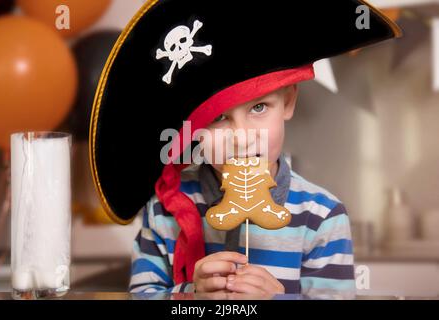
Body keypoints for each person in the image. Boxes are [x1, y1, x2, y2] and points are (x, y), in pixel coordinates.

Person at [88, 0, 401, 297]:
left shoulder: (323, 218)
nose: (242, 137)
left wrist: (278, 299)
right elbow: (141, 295)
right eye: (219, 117)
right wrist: (190, 294)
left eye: (260, 108)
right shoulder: (163, 211)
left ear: (288, 101)